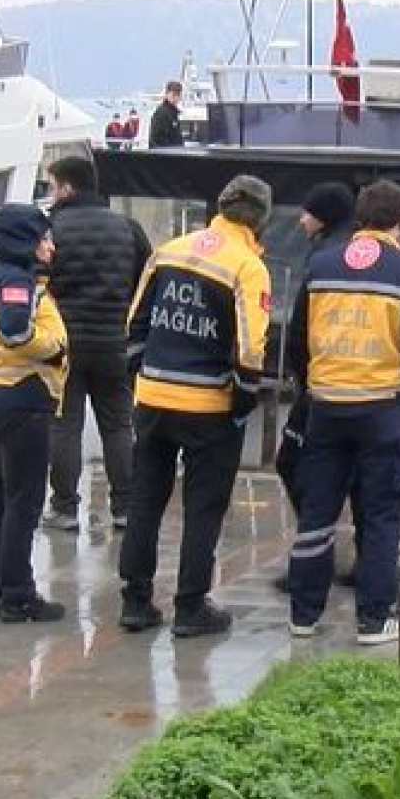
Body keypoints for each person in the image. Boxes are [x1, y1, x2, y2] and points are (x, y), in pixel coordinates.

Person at [117, 175, 274, 637]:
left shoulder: (169, 250)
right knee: (203, 508)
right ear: (260, 220)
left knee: (145, 501)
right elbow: (250, 350)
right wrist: (243, 402)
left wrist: (141, 379)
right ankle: (190, 607)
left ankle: (135, 601)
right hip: (209, 404)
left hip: (153, 397)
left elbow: (136, 324)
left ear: (219, 207)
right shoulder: (247, 267)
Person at [285, 179, 400, 646]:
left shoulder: (320, 265)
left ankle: (303, 615)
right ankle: (374, 619)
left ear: (360, 218)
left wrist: (312, 387)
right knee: (381, 514)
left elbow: (296, 341)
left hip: (327, 407)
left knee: (317, 512)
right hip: (383, 408)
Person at [40, 156, 152, 533]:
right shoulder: (127, 228)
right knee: (119, 425)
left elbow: (39, 284)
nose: (50, 194)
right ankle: (126, 506)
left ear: (68, 187)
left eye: (53, 186)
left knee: (65, 425)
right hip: (113, 342)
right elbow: (146, 282)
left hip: (65, 344)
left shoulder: (51, 229)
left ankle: (65, 507)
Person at [0, 205, 70, 621]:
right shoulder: (15, 279)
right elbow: (15, 331)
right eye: (43, 237)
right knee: (23, 502)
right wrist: (54, 346)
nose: (50, 245)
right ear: (23, 240)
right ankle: (18, 594)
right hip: (23, 396)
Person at [272, 181, 357, 591]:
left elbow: (302, 327)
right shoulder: (355, 250)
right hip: (368, 387)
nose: (301, 219)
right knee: (360, 474)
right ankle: (364, 560)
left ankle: (313, 559)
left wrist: (301, 379)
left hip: (322, 387)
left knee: (294, 464)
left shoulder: (323, 258)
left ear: (323, 216)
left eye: (307, 212)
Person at [147, 81, 183, 148]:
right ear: (167, 94)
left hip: (176, 152)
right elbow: (155, 138)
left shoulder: (174, 114)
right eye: (173, 94)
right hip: (164, 154)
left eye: (178, 95)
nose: (175, 97)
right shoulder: (161, 113)